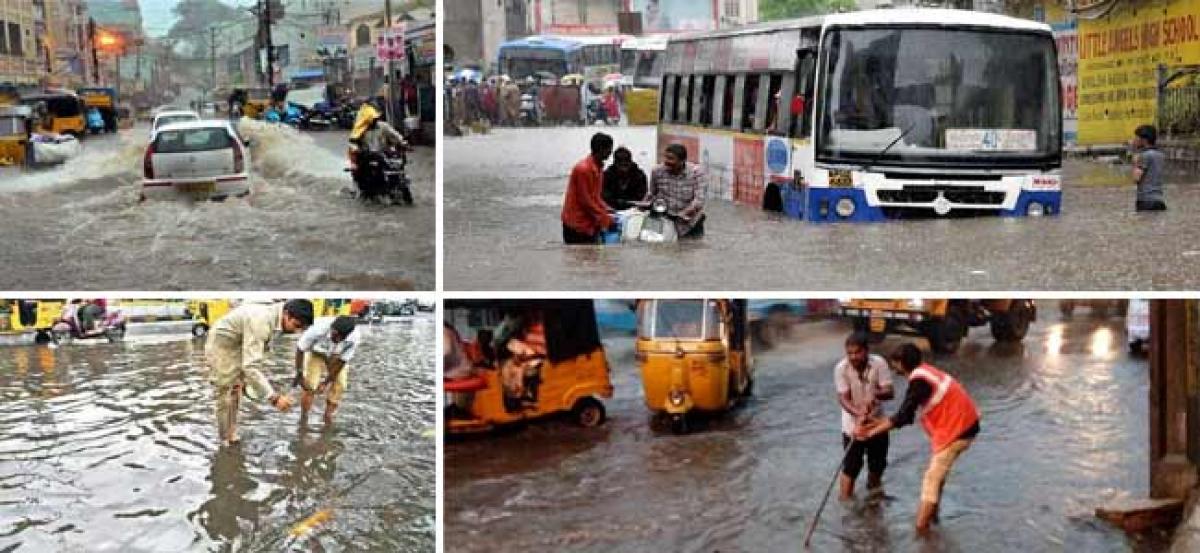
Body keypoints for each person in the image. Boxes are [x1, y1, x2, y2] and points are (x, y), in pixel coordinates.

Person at [856, 343, 980, 536]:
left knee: (932, 478)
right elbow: (904, 414)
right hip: (965, 424)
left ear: (902, 364)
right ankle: (933, 515)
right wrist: (877, 424)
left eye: (894, 364)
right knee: (938, 475)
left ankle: (921, 530)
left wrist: (872, 432)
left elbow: (905, 416)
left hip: (958, 429)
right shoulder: (926, 372)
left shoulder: (919, 380)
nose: (893, 368)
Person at [206, 299, 314, 447]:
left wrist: (245, 379)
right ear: (287, 314)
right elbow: (251, 366)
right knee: (224, 394)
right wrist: (274, 398)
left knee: (236, 391)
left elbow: (257, 356)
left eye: (301, 328)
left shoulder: (277, 318)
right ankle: (223, 439)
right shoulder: (261, 321)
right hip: (222, 346)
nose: (297, 331)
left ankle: (231, 432)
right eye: (297, 326)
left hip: (239, 342)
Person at [835, 332, 895, 500]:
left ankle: (874, 497)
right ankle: (845, 504)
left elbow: (890, 392)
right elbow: (843, 398)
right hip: (853, 426)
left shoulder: (879, 363)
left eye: (857, 352)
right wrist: (858, 412)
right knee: (851, 467)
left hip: (877, 423)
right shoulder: (841, 368)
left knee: (877, 465)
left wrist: (875, 394)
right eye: (849, 353)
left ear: (866, 351)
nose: (853, 357)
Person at [294, 315, 361, 427]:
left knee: (340, 385)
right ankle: (303, 418)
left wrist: (326, 382)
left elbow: (341, 362)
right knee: (310, 385)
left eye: (341, 337)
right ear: (331, 328)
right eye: (335, 335)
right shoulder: (317, 329)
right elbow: (300, 349)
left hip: (336, 355)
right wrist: (299, 373)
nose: (337, 339)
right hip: (316, 352)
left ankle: (328, 417)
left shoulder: (354, 337)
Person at [561, 132, 615, 244]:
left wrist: (608, 209)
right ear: (601, 149)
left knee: (591, 258)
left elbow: (595, 196)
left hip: (590, 223)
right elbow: (585, 201)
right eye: (609, 149)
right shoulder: (583, 169)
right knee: (579, 258)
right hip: (576, 225)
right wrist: (605, 219)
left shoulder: (598, 168)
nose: (611, 152)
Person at [645, 143, 706, 238]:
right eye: (665, 157)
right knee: (654, 246)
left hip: (690, 223)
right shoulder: (657, 171)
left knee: (692, 249)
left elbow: (699, 200)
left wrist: (683, 213)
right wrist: (641, 206)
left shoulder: (696, 173)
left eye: (671, 158)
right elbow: (652, 194)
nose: (666, 161)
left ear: (682, 161)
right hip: (662, 218)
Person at [1132, 124, 1166, 211]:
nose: (1134, 140)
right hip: (1159, 200)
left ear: (1143, 140)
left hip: (1145, 201)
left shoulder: (1144, 155)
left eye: (1136, 138)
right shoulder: (1160, 155)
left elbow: (1136, 178)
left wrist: (1135, 160)